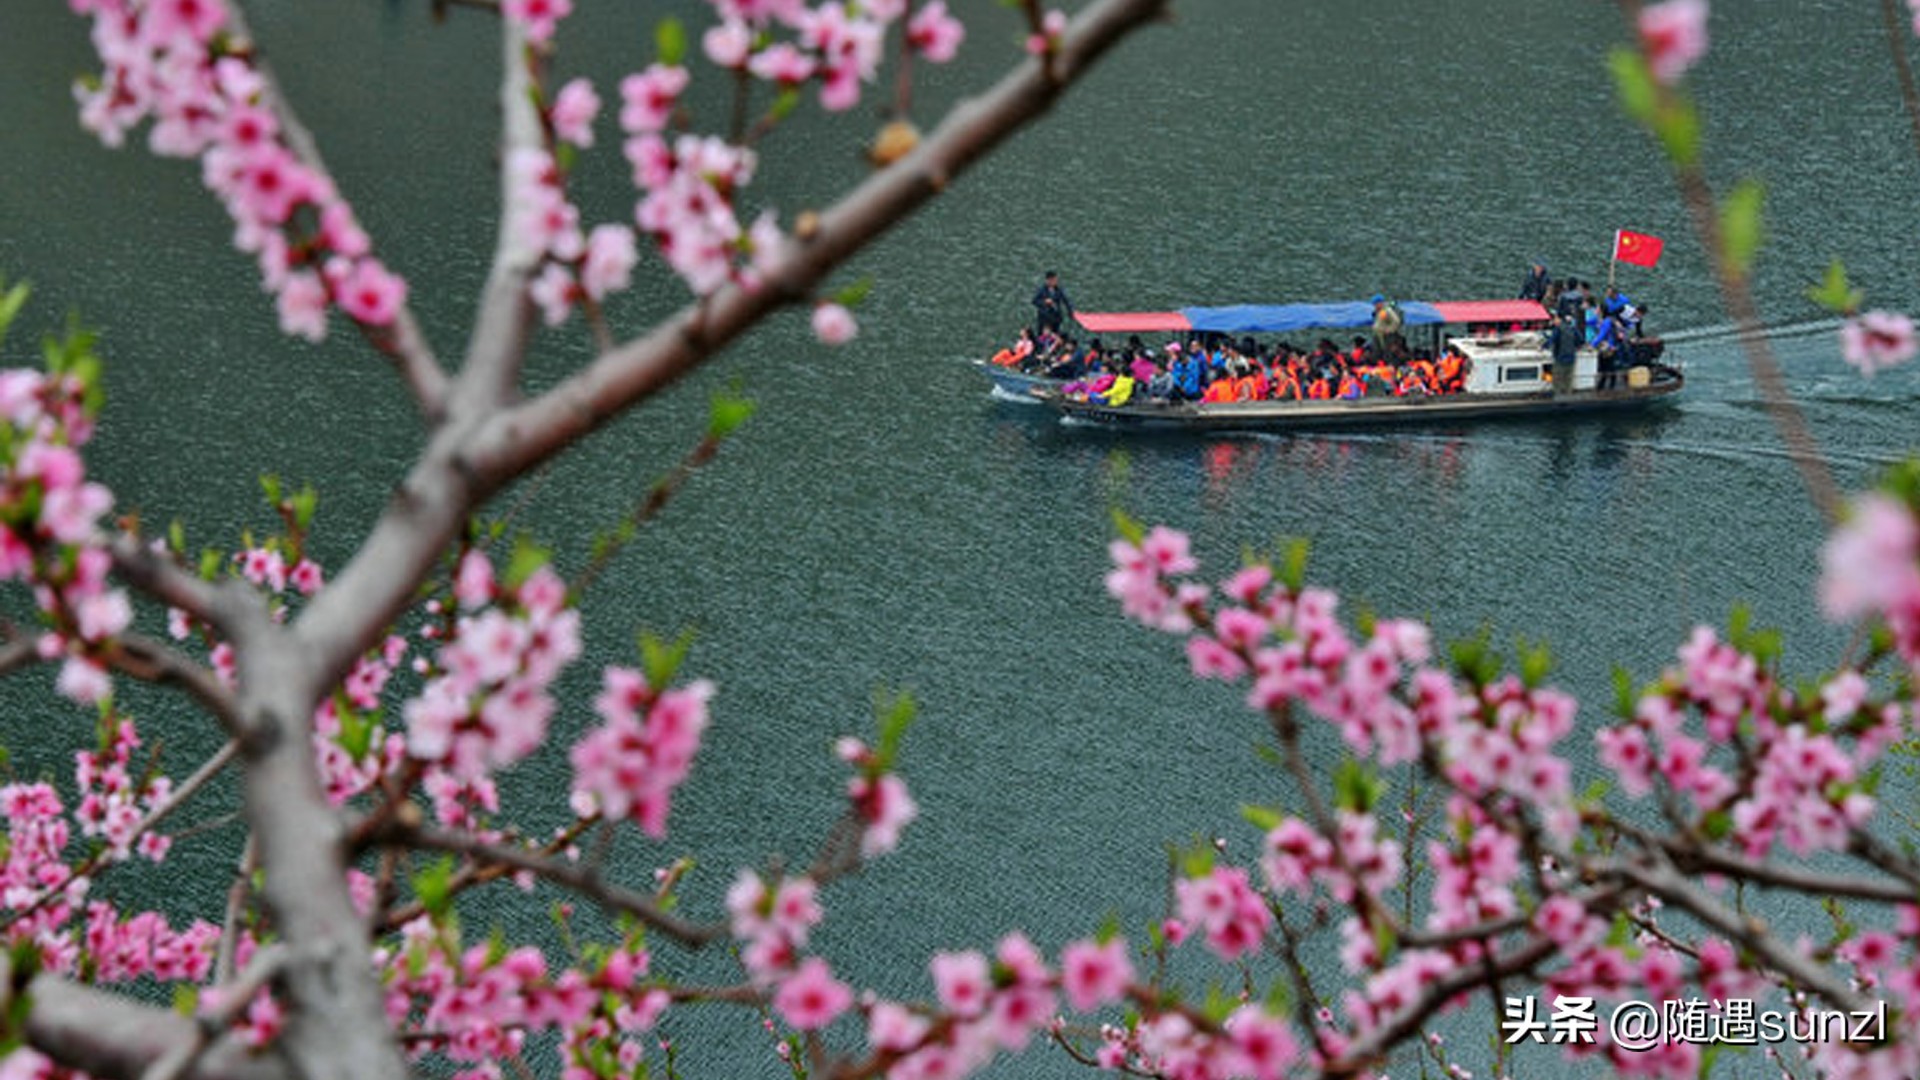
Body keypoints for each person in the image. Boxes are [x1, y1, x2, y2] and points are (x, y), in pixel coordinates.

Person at [1031, 271, 1072, 338]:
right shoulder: (1042, 290)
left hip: (1056, 316)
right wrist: (1044, 302)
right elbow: (1034, 301)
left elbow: (1066, 300)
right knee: (1042, 335)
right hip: (1044, 317)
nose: (1055, 282)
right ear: (1048, 280)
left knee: (1055, 334)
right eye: (1053, 280)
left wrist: (1070, 311)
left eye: (1056, 280)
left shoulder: (1059, 290)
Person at [1370, 294, 1405, 359]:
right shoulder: (1378, 312)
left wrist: (1389, 330)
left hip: (1387, 336)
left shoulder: (1387, 311)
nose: (1375, 306)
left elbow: (1396, 321)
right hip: (1380, 336)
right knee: (1379, 351)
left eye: (1376, 304)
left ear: (1380, 303)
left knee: (1389, 352)